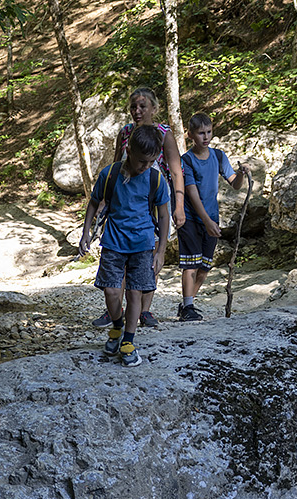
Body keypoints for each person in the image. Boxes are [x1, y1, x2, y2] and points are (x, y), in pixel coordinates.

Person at [90, 87, 185, 329]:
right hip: (126, 196)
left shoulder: (164, 134)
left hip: (154, 197)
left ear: (154, 109)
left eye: (143, 106)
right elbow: (114, 166)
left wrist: (179, 205)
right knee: (121, 253)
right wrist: (104, 199)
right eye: (133, 106)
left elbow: (176, 171)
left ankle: (145, 309)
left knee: (149, 253)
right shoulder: (125, 133)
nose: (137, 111)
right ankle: (117, 310)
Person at [78, 125, 171, 368]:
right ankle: (117, 327)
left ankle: (128, 342)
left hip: (143, 245)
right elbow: (94, 202)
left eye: (151, 161)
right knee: (111, 292)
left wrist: (160, 251)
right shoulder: (110, 174)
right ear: (128, 150)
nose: (146, 166)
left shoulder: (155, 178)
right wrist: (86, 232)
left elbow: (163, 216)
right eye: (142, 161)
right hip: (113, 243)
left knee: (134, 293)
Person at [178, 113, 246, 321]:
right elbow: (192, 193)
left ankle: (187, 305)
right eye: (200, 133)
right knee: (191, 262)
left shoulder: (218, 156)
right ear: (190, 135)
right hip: (191, 217)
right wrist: (206, 221)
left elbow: (234, 183)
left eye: (208, 132)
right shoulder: (186, 161)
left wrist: (241, 173)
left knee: (205, 266)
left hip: (211, 216)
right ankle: (188, 306)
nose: (205, 137)